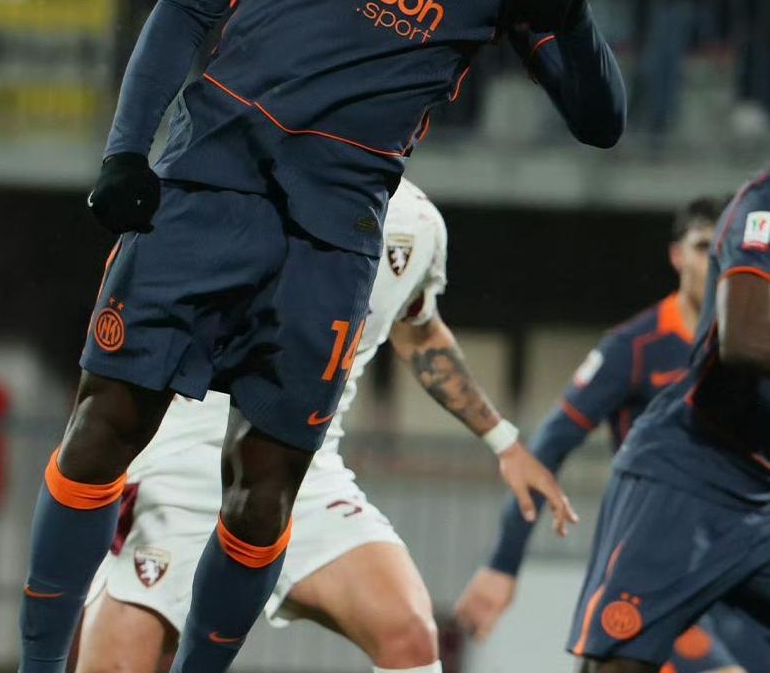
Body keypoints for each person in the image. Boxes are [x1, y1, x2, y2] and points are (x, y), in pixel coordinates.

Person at [19, 0, 627, 673]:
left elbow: (600, 120)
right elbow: (190, 3)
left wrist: (569, 15)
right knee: (102, 428)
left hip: (331, 243)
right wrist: (125, 151)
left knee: (263, 493)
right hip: (207, 187)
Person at [75, 178, 552, 672]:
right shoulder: (241, 185)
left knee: (408, 634)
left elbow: (418, 329)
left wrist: (504, 441)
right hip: (184, 469)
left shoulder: (417, 224)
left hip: (302, 475)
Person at [456, 198, 767, 672]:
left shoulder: (753, 347)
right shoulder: (635, 347)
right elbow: (551, 445)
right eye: (702, 247)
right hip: (665, 550)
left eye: (720, 247)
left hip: (742, 551)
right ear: (677, 256)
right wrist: (504, 562)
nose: (713, 261)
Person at [559, 168, 770, 672]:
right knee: (620, 661)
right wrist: (503, 563)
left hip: (763, 489)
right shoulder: (762, 204)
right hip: (692, 474)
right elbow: (745, 340)